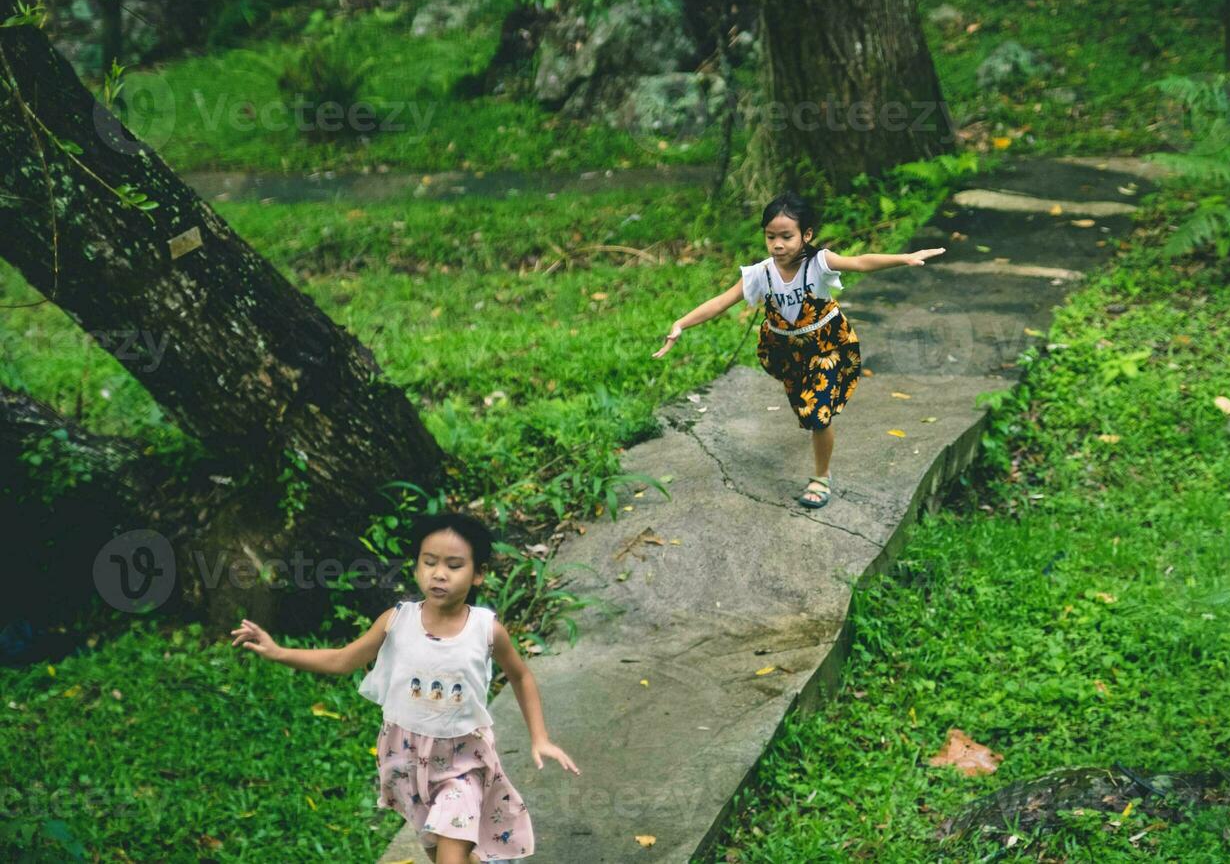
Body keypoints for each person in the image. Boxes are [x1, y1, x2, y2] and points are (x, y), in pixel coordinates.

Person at [230, 512, 579, 863]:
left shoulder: (486, 630)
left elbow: (521, 676)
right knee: (440, 850)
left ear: (478, 574)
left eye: (454, 565)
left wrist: (540, 737)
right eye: (429, 562)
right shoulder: (397, 620)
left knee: (451, 854)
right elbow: (342, 660)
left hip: (463, 764)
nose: (439, 573)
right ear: (416, 567)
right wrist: (277, 652)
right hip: (408, 764)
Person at [652, 191, 944, 509]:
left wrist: (903, 258)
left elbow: (860, 262)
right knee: (806, 409)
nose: (778, 244)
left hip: (826, 347)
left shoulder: (818, 263)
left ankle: (821, 477)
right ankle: (816, 420)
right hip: (785, 350)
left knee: (817, 415)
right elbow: (722, 301)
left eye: (787, 236)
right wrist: (682, 323)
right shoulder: (762, 273)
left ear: (806, 235)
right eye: (771, 236)